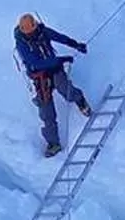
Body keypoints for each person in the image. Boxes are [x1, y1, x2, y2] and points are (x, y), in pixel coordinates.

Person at [14, 14, 91, 158]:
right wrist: (60, 60)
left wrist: (76, 44)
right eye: (29, 32)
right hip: (40, 76)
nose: (32, 33)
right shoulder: (21, 44)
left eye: (33, 30)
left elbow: (59, 37)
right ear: (23, 31)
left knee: (64, 89)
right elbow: (35, 63)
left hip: (54, 69)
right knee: (46, 110)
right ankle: (53, 143)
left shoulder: (42, 32)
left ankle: (80, 100)